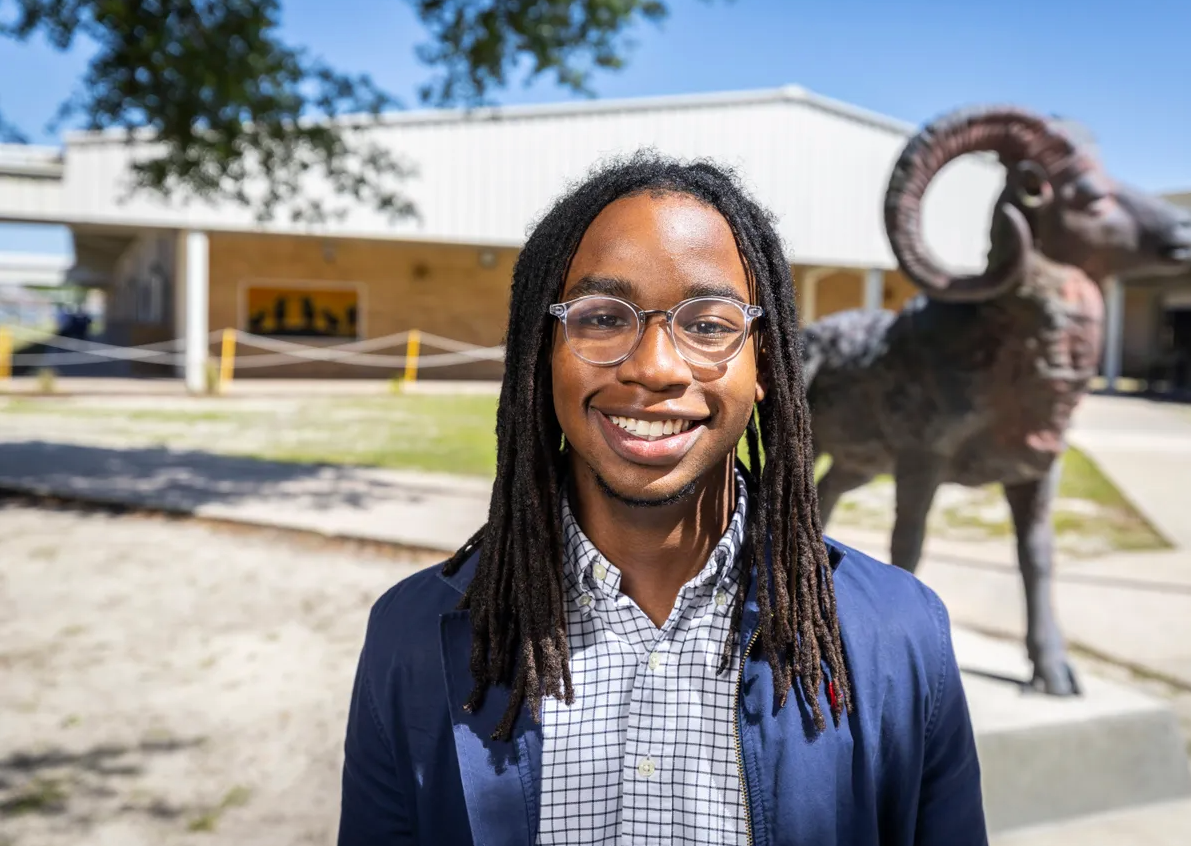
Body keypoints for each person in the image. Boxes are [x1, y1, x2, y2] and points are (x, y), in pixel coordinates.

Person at [337, 153, 987, 845]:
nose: (653, 366)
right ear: (542, 350)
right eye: (601, 318)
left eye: (708, 324)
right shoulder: (410, 635)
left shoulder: (901, 633)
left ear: (763, 362)